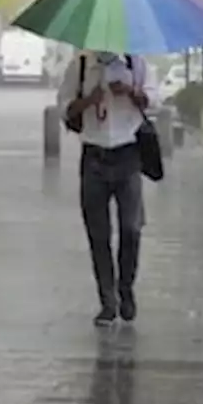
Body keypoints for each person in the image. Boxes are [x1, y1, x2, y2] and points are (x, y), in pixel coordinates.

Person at [57, 50, 158, 325]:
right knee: (98, 234)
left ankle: (126, 287)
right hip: (93, 156)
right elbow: (63, 108)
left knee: (131, 228)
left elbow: (153, 100)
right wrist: (88, 100)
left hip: (128, 153)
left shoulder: (136, 63)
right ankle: (107, 300)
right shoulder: (80, 66)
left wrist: (130, 91)